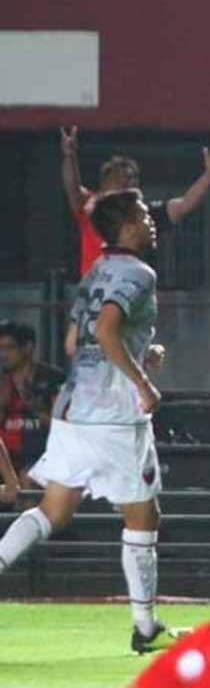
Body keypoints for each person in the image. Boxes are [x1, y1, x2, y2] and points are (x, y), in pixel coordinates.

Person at [0, 191, 184, 654]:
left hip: (74, 409)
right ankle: (145, 627)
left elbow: (74, 343)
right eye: (142, 215)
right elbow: (105, 329)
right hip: (114, 417)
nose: (151, 221)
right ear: (125, 226)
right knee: (143, 516)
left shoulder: (95, 271)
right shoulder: (138, 272)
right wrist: (143, 383)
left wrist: (139, 353)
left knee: (52, 511)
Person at [60, 125, 210, 278]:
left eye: (133, 179)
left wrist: (209, 174)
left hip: (130, 287)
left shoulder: (143, 216)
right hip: (95, 287)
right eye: (120, 178)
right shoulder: (92, 206)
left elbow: (185, 204)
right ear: (105, 183)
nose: (127, 184)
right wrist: (69, 156)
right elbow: (73, 190)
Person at [0, 319, 67, 485]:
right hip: (6, 458)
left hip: (43, 456)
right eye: (0, 349)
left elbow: (67, 427)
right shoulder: (2, 381)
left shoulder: (53, 378)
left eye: (9, 348)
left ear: (28, 347)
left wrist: (34, 408)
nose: (3, 354)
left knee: (29, 477)